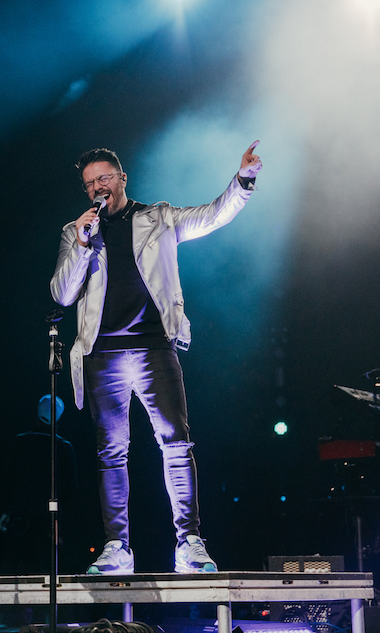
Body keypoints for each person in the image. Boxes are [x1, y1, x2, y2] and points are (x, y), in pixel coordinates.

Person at [50, 141, 262, 574]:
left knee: (176, 444)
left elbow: (211, 215)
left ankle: (189, 542)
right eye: (90, 182)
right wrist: (82, 243)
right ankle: (116, 548)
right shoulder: (77, 231)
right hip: (101, 353)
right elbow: (62, 293)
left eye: (104, 178)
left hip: (152, 347)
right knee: (111, 451)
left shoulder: (157, 217)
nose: (98, 187)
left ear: (122, 178)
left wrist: (242, 182)